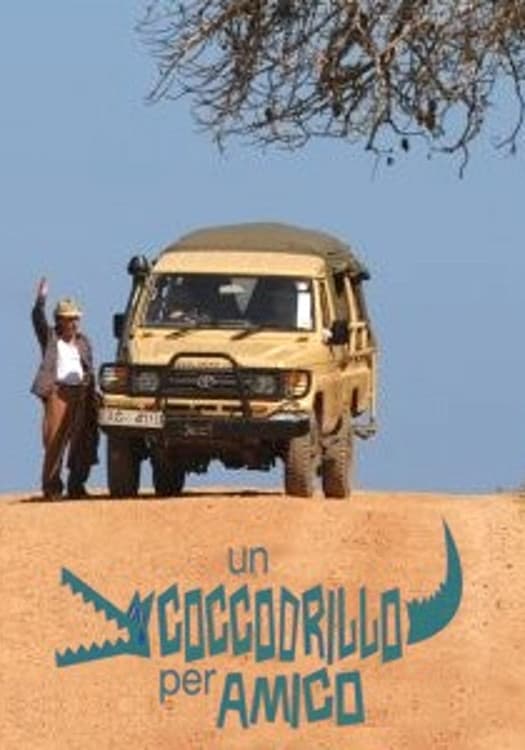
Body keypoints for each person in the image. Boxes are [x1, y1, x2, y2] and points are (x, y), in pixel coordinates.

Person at [30, 277, 99, 499]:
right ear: (59, 321)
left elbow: (90, 368)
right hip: (58, 394)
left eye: (76, 318)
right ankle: (52, 488)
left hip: (81, 394)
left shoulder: (83, 342)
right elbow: (38, 320)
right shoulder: (51, 338)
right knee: (54, 442)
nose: (74, 323)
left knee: (84, 441)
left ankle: (77, 486)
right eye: (69, 319)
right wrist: (40, 300)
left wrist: (94, 393)